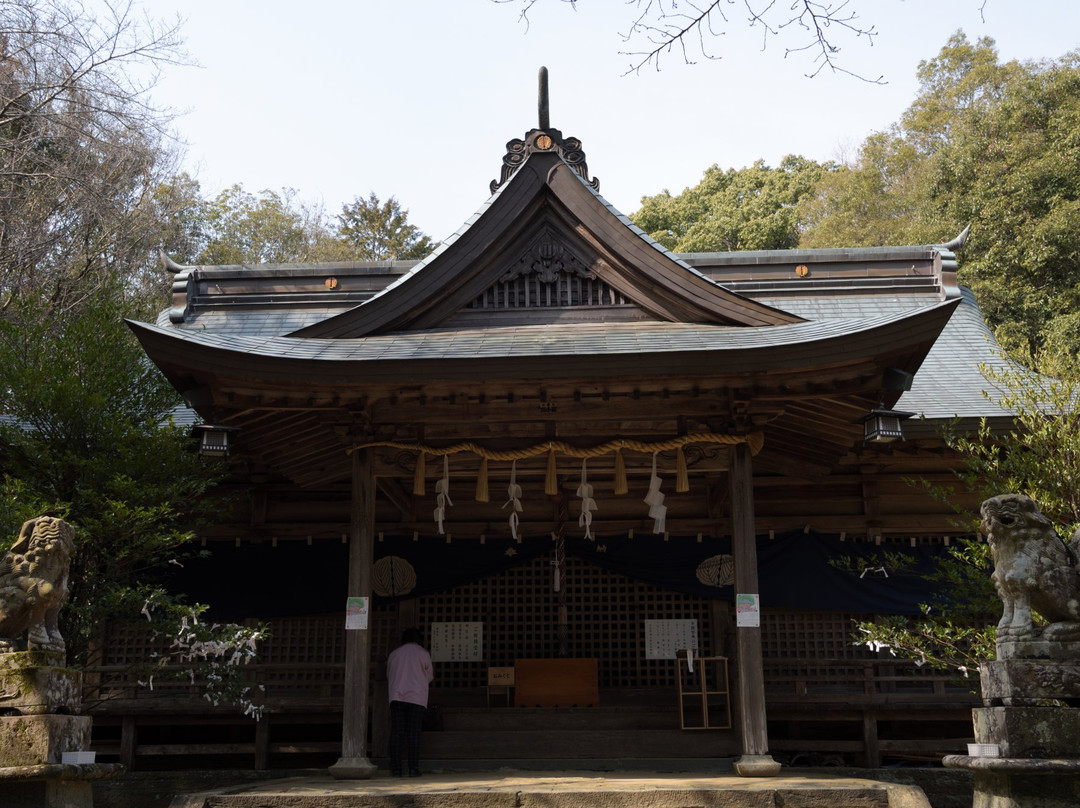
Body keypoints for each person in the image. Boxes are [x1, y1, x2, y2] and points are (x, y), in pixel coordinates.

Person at [386, 627, 433, 777]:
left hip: (397, 696)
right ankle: (413, 769)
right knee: (414, 734)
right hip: (417, 698)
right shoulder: (423, 654)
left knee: (397, 733)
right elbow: (429, 676)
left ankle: (396, 768)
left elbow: (389, 674)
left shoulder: (394, 654)